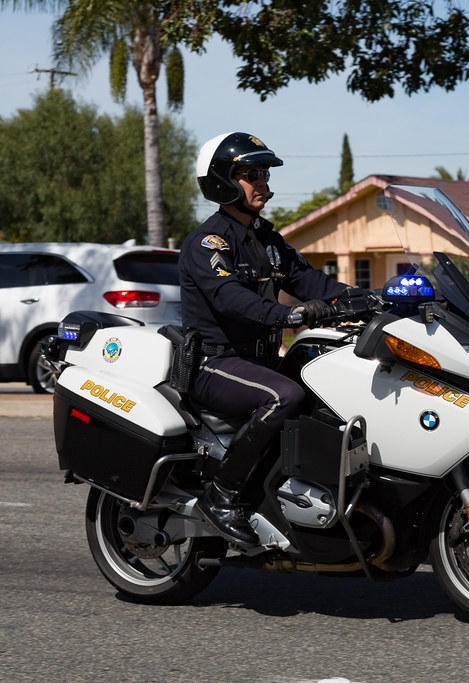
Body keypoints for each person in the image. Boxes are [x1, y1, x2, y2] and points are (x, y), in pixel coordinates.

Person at [180, 131, 370, 545]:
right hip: (216, 365)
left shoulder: (268, 241)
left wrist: (375, 298)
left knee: (332, 386)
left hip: (259, 361)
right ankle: (222, 495)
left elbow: (313, 282)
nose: (263, 183)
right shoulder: (208, 242)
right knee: (283, 396)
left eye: (263, 174)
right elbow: (231, 299)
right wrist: (290, 314)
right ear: (222, 180)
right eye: (251, 174)